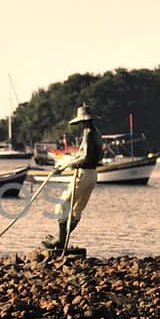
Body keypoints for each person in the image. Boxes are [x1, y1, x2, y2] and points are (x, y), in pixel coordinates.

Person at [46, 104, 102, 254]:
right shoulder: (96, 132)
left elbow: (86, 156)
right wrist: (65, 162)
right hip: (92, 175)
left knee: (61, 206)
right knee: (76, 210)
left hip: (83, 174)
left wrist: (67, 165)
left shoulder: (89, 133)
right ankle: (62, 242)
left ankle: (60, 241)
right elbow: (93, 156)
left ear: (83, 121)